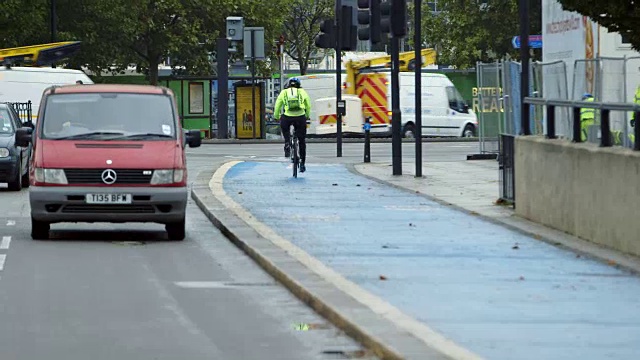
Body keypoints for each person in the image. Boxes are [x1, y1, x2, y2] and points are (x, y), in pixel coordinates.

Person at [274, 77, 311, 173]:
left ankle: (287, 143)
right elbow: (308, 105)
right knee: (302, 141)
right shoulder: (302, 92)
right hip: (300, 117)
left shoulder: (284, 92)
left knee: (285, 128)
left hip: (287, 117)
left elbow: (278, 104)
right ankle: (302, 163)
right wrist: (306, 115)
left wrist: (277, 116)